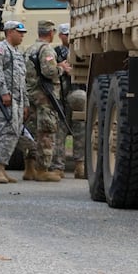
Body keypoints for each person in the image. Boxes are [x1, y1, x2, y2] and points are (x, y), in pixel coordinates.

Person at [0, 20, 35, 184]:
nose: (22, 35)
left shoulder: (17, 52)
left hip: (18, 100)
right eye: (19, 32)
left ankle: (2, 169)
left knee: (14, 133)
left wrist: (26, 102)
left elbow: (22, 80)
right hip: (5, 100)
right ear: (9, 32)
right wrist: (4, 93)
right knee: (8, 132)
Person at [24, 20, 69, 182]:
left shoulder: (29, 49)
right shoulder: (47, 49)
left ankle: (29, 168)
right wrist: (61, 68)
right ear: (51, 33)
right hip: (45, 97)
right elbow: (49, 71)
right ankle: (42, 170)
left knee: (31, 132)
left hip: (31, 96)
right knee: (46, 132)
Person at [53, 23, 86, 179]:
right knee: (59, 132)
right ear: (60, 36)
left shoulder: (81, 51)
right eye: (66, 34)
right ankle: (58, 167)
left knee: (80, 131)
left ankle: (80, 166)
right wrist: (60, 66)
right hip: (62, 97)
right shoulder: (56, 52)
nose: (69, 37)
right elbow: (50, 69)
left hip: (79, 95)